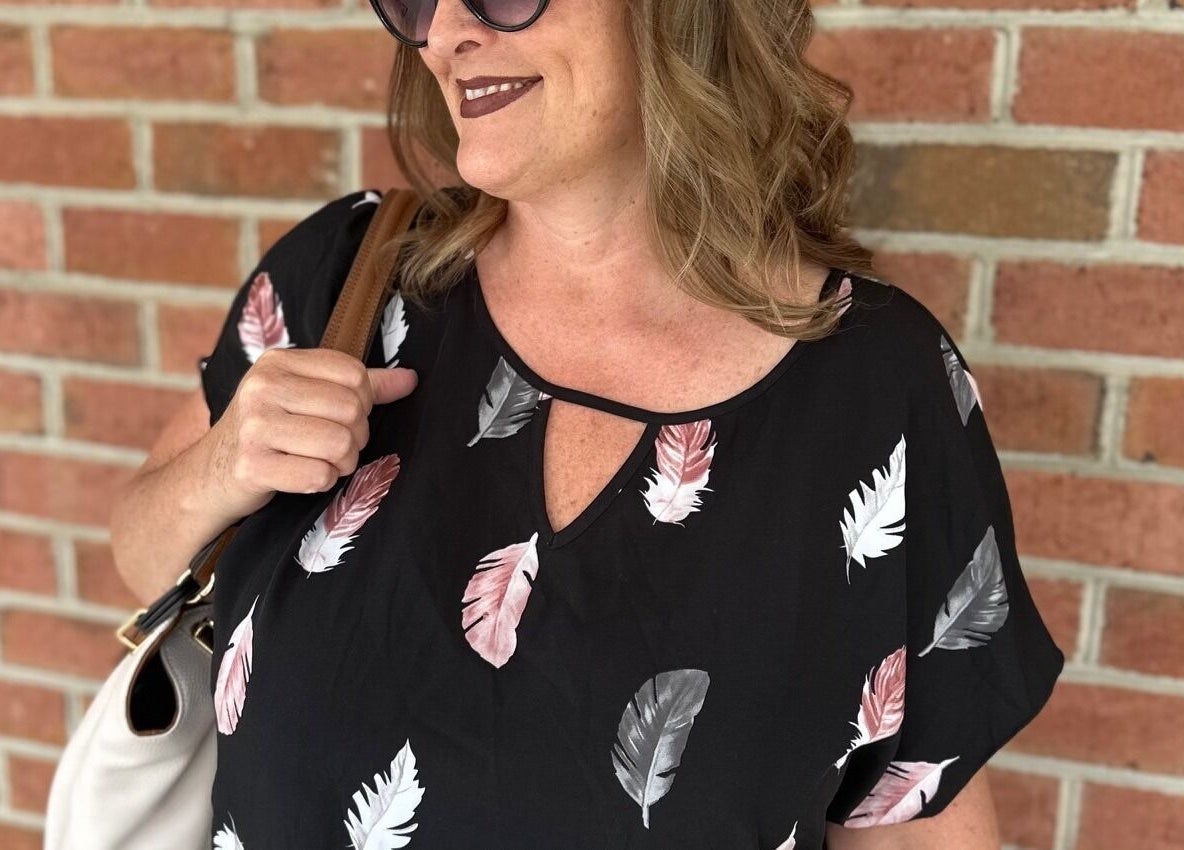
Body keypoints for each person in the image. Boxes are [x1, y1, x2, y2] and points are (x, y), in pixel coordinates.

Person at [109, 0, 1064, 847]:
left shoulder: (879, 392)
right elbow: (141, 555)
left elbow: (906, 818)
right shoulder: (346, 281)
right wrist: (222, 466)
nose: (444, 31)